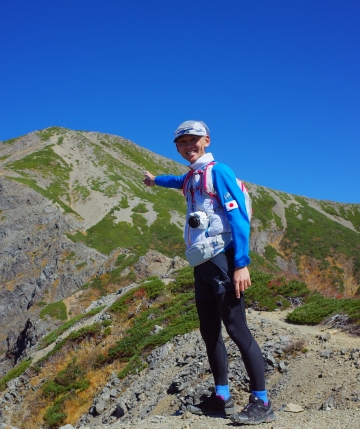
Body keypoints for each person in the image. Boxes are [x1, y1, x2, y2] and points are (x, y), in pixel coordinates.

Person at [142, 120, 275, 425]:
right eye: (182, 143)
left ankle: (262, 401)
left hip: (222, 259)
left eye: (193, 140)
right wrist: (154, 181)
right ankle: (222, 398)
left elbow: (239, 217)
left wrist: (242, 263)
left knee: (237, 328)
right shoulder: (191, 177)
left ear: (206, 140)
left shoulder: (219, 171)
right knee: (209, 330)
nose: (188, 146)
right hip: (200, 263)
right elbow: (176, 180)